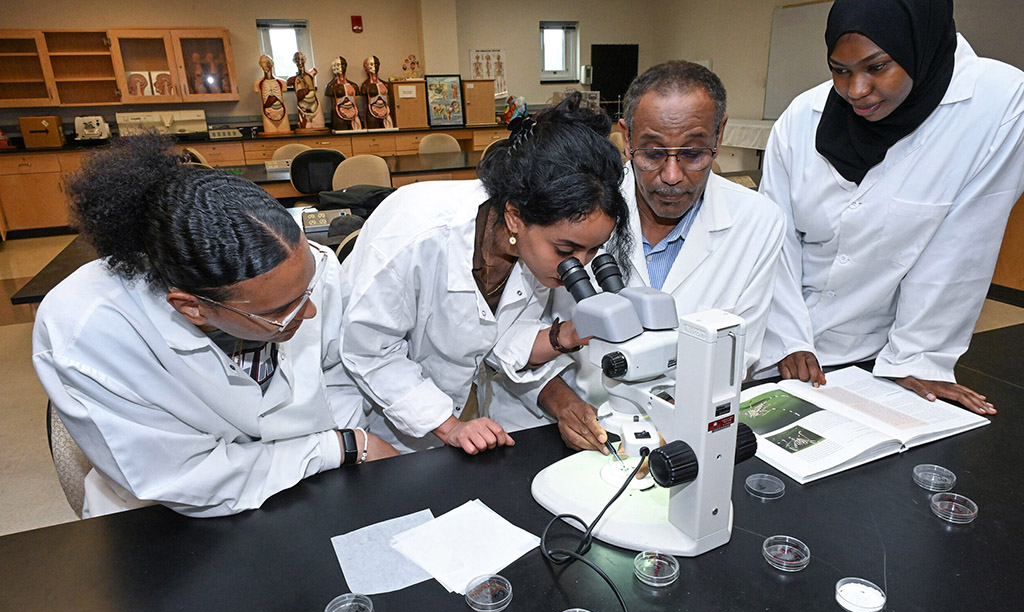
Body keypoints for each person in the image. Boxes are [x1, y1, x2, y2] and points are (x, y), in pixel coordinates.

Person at [33, 135, 397, 518]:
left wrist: (338, 453)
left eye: (308, 290)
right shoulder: (89, 331)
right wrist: (338, 447)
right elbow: (185, 477)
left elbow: (336, 375)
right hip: (168, 515)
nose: (308, 313)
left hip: (308, 481)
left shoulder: (307, 268)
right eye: (283, 310)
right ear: (191, 308)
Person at [491, 63, 787, 452]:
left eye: (694, 153)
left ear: (720, 133)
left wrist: (672, 414)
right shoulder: (578, 206)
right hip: (549, 421)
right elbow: (507, 337)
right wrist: (564, 405)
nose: (672, 174)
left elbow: (736, 353)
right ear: (626, 137)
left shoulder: (759, 222)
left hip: (679, 430)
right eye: (652, 153)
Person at [755, 0, 1024, 415]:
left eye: (877, 67)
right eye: (839, 70)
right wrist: (787, 337)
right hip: (782, 341)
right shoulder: (801, 117)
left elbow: (962, 243)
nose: (856, 90)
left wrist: (918, 356)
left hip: (875, 352)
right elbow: (775, 239)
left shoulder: (997, 104)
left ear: (919, 46)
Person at [341, 95, 630, 454]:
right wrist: (449, 427)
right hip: (367, 412)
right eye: (566, 251)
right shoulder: (417, 230)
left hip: (453, 412)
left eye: (592, 251)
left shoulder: (530, 249)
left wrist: (568, 335)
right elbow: (369, 350)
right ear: (514, 216)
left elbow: (497, 340)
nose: (579, 265)